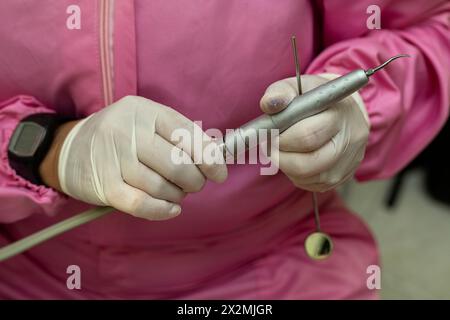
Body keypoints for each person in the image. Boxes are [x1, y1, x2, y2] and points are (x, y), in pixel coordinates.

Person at [0, 0, 448, 299]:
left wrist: (363, 107)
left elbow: (432, 26)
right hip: (31, 273)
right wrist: (50, 148)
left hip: (269, 268)